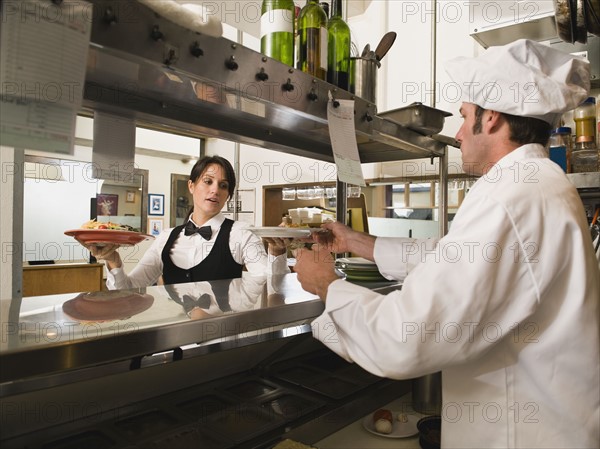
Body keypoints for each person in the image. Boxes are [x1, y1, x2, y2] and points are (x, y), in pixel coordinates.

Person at [294, 39, 599, 448]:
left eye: (464, 116)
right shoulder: (540, 183)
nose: (458, 134)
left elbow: (406, 337)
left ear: (490, 118)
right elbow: (453, 258)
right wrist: (356, 242)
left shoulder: (508, 196)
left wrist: (325, 284)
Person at [85, 156, 289, 289]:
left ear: (228, 195)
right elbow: (127, 290)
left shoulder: (241, 233)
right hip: (173, 340)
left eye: (223, 185)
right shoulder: (166, 237)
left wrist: (277, 254)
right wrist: (112, 260)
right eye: (208, 181)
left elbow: (271, 286)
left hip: (221, 340)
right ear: (191, 186)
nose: (215, 190)